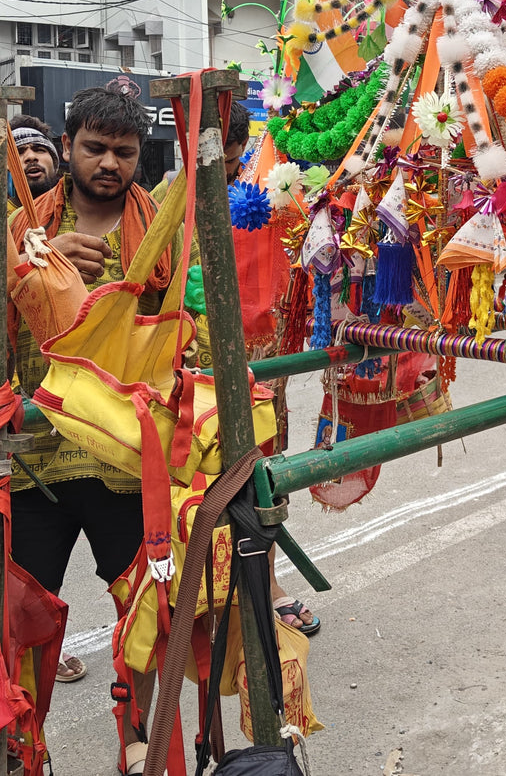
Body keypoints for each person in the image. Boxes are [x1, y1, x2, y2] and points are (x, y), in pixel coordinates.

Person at [7, 79, 177, 770]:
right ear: (68, 144)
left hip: (124, 456)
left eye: (125, 152)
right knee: (19, 614)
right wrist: (34, 271)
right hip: (37, 454)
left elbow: (177, 328)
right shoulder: (26, 223)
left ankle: (137, 742)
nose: (110, 163)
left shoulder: (161, 227)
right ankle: (23, 746)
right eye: (96, 148)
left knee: (143, 608)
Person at [154, 100, 319, 637]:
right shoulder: (158, 205)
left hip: (257, 375)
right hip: (182, 382)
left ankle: (266, 586)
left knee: (263, 486)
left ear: (237, 152)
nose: (216, 168)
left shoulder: (266, 201)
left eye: (226, 157)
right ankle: (195, 595)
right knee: (188, 492)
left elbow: (289, 290)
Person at [11, 113, 63, 204]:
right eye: (19, 152)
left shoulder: (83, 208)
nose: (31, 157)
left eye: (39, 150)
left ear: (54, 162)